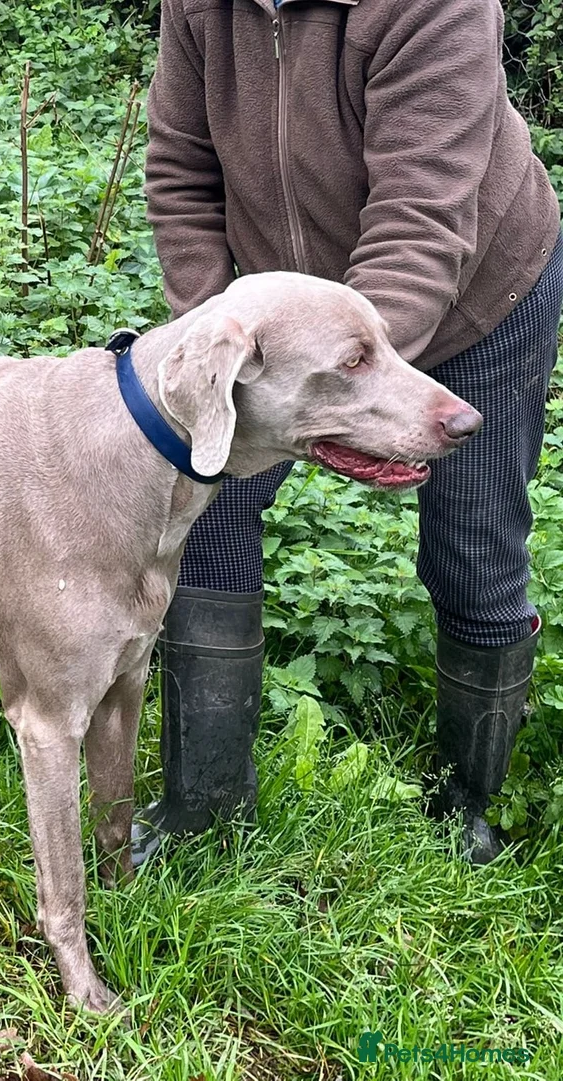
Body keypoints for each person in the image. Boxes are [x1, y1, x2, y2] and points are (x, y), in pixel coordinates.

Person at [134, 0, 563, 865]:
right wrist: (226, 342)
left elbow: (422, 224)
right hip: (289, 330)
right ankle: (204, 810)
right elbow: (180, 172)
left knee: (474, 549)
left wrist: (351, 386)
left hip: (481, 300)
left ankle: (466, 814)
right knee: (204, 506)